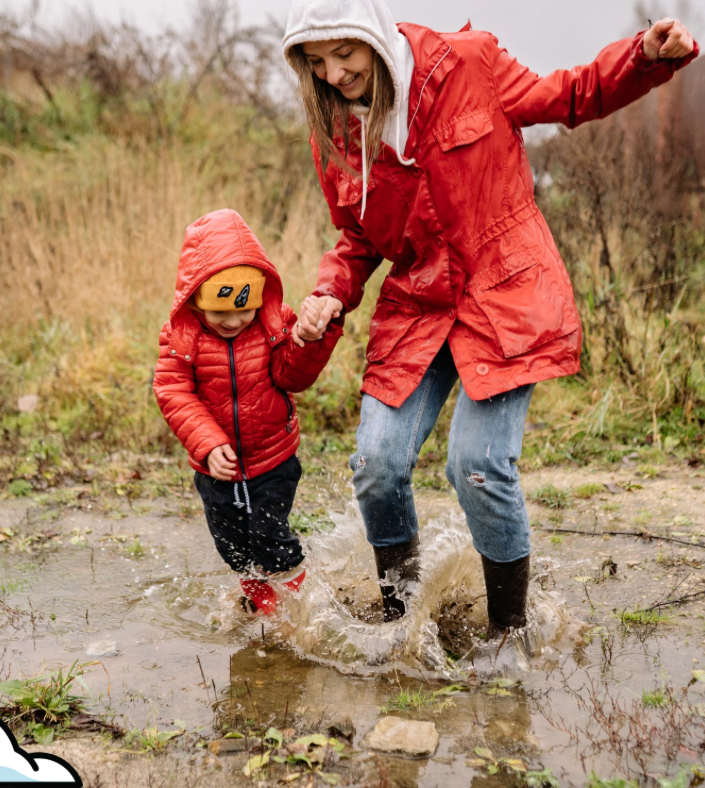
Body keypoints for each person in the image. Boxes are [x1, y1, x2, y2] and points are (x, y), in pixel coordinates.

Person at [282, 0, 697, 646]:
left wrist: (641, 58)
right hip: (419, 304)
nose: (334, 75)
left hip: (503, 293)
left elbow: (570, 95)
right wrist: (329, 294)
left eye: (344, 53)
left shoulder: (468, 65)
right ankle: (401, 623)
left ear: (374, 34)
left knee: (476, 464)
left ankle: (508, 636)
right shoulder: (334, 128)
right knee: (375, 463)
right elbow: (357, 237)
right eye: (316, 62)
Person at [153, 209, 342, 615]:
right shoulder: (182, 338)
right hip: (216, 468)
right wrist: (207, 443)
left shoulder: (274, 324)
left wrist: (307, 341)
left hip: (273, 458)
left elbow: (292, 377)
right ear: (195, 298)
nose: (234, 320)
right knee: (233, 547)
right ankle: (261, 601)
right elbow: (172, 390)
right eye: (220, 311)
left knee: (271, 538)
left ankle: (299, 606)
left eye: (244, 309)